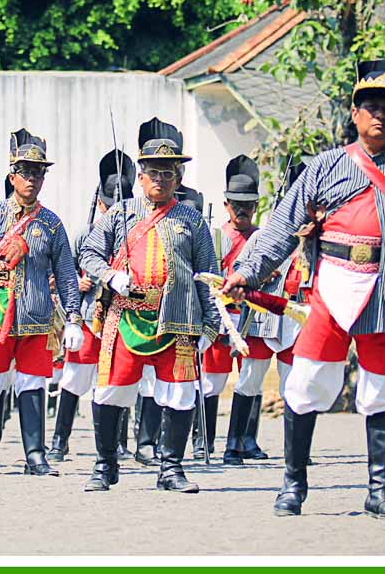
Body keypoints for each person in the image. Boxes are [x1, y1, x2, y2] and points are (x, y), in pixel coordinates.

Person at [224, 60, 385, 519]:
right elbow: (282, 227)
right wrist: (248, 272)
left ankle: (379, 492)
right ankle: (293, 487)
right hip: (331, 287)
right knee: (305, 383)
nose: (382, 116)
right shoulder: (325, 166)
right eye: (372, 107)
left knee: (383, 388)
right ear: (355, 113)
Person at [78, 117, 221, 494]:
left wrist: (211, 325)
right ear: (140, 176)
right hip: (125, 316)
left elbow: (209, 274)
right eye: (154, 172)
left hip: (177, 319)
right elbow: (89, 253)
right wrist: (110, 276)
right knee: (111, 390)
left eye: (168, 173)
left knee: (179, 393)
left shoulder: (191, 220)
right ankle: (105, 465)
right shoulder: (121, 213)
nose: (160, 179)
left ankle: (171, 468)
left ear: (178, 178)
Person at [0, 129, 83, 477]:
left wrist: (74, 317)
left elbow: (66, 273)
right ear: (12, 175)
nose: (32, 179)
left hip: (36, 314)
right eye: (26, 172)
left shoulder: (51, 224)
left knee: (32, 385)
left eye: (38, 173)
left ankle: (35, 455)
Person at [48, 150, 134, 464]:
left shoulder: (135, 236)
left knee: (117, 380)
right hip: (87, 317)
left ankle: (118, 442)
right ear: (100, 204)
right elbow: (64, 274)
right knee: (74, 379)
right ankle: (59, 441)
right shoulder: (83, 235)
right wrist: (79, 284)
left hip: (121, 318)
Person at [229, 160, 308, 461]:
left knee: (294, 385)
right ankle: (236, 445)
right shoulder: (263, 236)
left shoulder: (317, 241)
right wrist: (260, 274)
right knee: (249, 379)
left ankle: (295, 451)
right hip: (264, 317)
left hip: (298, 318)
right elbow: (239, 270)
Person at [200, 154, 262, 465]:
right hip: (222, 318)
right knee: (213, 382)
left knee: (252, 378)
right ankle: (205, 441)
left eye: (247, 205)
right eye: (236, 204)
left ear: (256, 206)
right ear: (226, 204)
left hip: (253, 319)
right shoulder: (215, 238)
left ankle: (244, 441)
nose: (242, 210)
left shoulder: (263, 239)